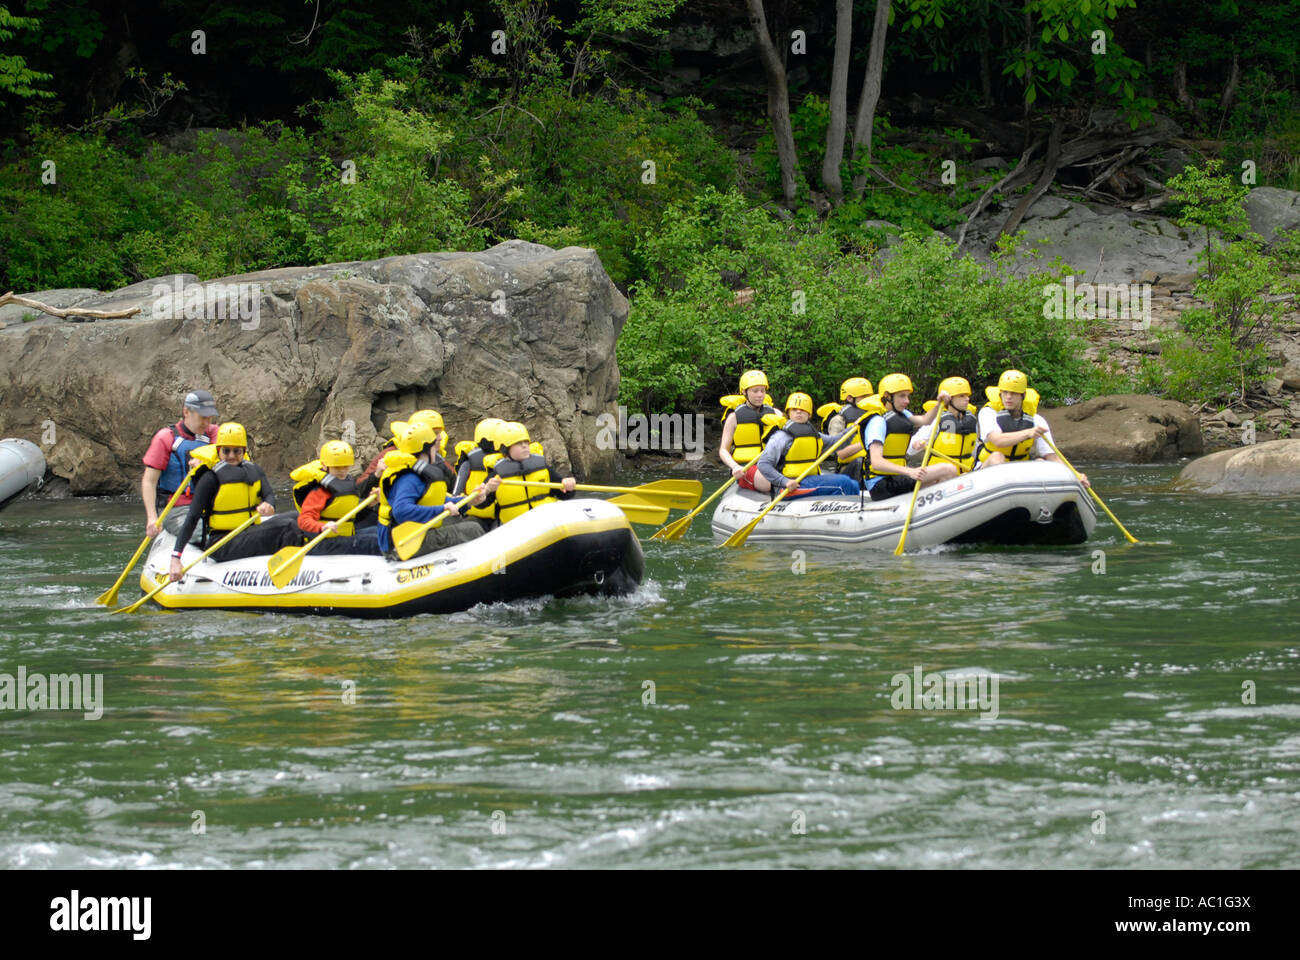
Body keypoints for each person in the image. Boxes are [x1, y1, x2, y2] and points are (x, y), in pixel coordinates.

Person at [168, 422, 300, 579]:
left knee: (297, 517)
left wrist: (268, 505)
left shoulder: (254, 471)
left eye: (236, 451)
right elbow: (192, 518)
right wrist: (176, 558)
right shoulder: (210, 479)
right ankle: (290, 573)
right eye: (226, 451)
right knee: (287, 526)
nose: (231, 456)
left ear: (244, 451)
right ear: (218, 451)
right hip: (222, 543)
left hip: (247, 532)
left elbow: (269, 495)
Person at [375, 421, 487, 558]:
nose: (437, 449)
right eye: (434, 447)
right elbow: (401, 511)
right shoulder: (409, 478)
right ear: (427, 449)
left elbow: (431, 500)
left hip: (416, 533)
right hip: (403, 543)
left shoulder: (418, 472)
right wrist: (442, 509)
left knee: (467, 521)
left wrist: (468, 501)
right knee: (472, 529)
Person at [974, 370, 1090, 486]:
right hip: (988, 468)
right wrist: (1028, 433)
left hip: (1019, 469)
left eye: (1014, 393)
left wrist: (1074, 474)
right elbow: (998, 441)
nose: (1008, 397)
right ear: (1000, 394)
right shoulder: (988, 413)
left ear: (1023, 395)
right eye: (1005, 392)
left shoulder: (1036, 420)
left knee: (1041, 463)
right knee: (997, 457)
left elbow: (1051, 456)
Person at [863, 374, 958, 501]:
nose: (907, 401)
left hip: (896, 478)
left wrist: (939, 404)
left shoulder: (903, 414)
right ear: (887, 396)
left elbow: (925, 420)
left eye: (907, 396)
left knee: (944, 475)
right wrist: (909, 471)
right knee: (948, 470)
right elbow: (876, 463)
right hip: (881, 484)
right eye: (902, 396)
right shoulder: (878, 422)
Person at [747, 393, 860, 498]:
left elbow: (836, 443)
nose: (798, 412)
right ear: (788, 413)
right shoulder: (780, 437)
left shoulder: (815, 435)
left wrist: (854, 428)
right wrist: (784, 481)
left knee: (853, 483)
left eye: (802, 410)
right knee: (844, 483)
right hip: (790, 486)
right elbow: (763, 464)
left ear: (809, 414)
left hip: (809, 479)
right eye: (795, 410)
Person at [141, 389, 220, 539]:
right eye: (202, 417)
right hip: (176, 509)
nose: (206, 423)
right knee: (202, 535)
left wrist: (206, 460)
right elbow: (149, 481)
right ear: (186, 412)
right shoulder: (165, 438)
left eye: (209, 418)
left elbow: (223, 456)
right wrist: (152, 518)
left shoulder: (213, 433)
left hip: (209, 505)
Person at [289, 440, 382, 555]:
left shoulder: (346, 484)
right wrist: (323, 526)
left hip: (344, 535)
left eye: (345, 466)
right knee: (374, 541)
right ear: (324, 466)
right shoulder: (319, 491)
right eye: (337, 467)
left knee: (381, 532)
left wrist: (369, 504)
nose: (342, 471)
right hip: (322, 542)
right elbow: (303, 521)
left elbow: (351, 516)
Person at [481, 421, 575, 524]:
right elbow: (481, 504)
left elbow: (565, 494)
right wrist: (487, 490)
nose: (525, 446)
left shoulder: (542, 468)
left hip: (547, 522)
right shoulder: (496, 476)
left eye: (526, 442)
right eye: (518, 443)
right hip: (517, 527)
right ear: (505, 449)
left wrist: (569, 486)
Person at [718, 370, 784, 479]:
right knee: (767, 479)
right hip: (745, 467)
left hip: (771, 465)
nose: (760, 395)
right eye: (755, 391)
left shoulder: (776, 414)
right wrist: (734, 466)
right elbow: (723, 450)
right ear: (744, 392)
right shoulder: (733, 418)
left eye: (762, 391)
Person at [907, 377, 979, 473]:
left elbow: (974, 448)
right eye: (962, 396)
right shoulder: (936, 420)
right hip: (942, 475)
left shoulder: (971, 419)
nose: (967, 399)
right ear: (949, 399)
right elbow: (910, 450)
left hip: (966, 471)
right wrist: (916, 445)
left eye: (967, 395)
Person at [452, 417, 507, 532]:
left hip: (500, 515)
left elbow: (456, 492)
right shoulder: (468, 463)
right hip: (477, 517)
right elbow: (456, 495)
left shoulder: (468, 462)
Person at [822, 376, 874, 484]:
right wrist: (868, 443)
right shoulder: (839, 420)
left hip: (871, 467)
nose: (868, 400)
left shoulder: (874, 418)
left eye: (869, 396)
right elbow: (841, 453)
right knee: (860, 462)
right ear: (850, 398)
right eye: (864, 396)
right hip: (848, 470)